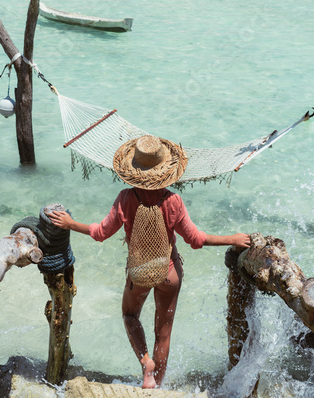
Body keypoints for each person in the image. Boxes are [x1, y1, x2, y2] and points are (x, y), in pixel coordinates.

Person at [49, 135, 250, 389]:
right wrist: (232, 238)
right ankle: (157, 386)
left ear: (134, 170)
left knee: (130, 315)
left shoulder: (125, 199)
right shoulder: (173, 201)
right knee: (163, 332)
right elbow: (196, 239)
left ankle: (146, 364)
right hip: (169, 273)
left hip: (139, 272)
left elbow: (100, 233)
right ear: (165, 171)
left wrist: (70, 224)